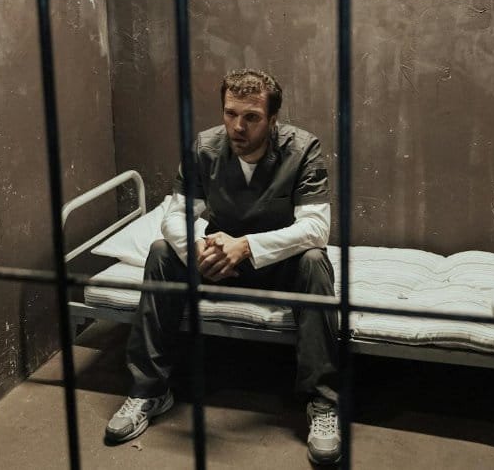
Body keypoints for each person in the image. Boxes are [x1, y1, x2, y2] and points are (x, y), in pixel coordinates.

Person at [104, 69, 341, 465]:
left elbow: (316, 229)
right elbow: (174, 215)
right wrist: (200, 252)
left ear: (272, 119)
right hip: (215, 260)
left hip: (275, 261)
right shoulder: (205, 148)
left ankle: (322, 403)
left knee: (316, 262)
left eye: (251, 117)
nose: (237, 126)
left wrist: (245, 247)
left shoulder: (302, 149)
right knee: (163, 252)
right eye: (230, 114)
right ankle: (149, 391)